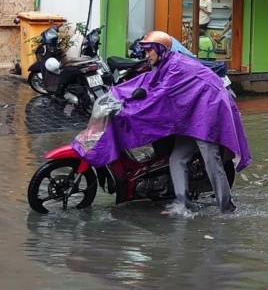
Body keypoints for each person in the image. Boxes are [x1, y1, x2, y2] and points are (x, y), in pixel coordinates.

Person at [83, 30, 250, 216]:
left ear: (160, 49)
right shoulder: (163, 64)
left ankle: (227, 208)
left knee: (212, 160)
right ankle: (181, 204)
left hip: (208, 110)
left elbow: (158, 95)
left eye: (149, 51)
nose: (146, 55)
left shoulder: (175, 66)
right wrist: (116, 95)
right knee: (177, 158)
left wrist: (129, 110)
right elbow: (145, 82)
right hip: (191, 114)